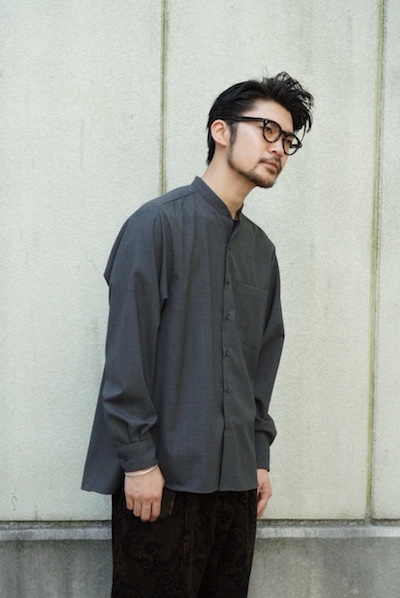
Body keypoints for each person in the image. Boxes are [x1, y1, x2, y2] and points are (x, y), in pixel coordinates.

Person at [82, 71, 313, 597]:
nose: (279, 148)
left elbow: (262, 363)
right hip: (161, 481)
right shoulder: (155, 225)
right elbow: (127, 356)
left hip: (237, 485)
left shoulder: (262, 251)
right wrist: (138, 462)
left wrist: (258, 457)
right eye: (268, 130)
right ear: (221, 131)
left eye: (288, 140)